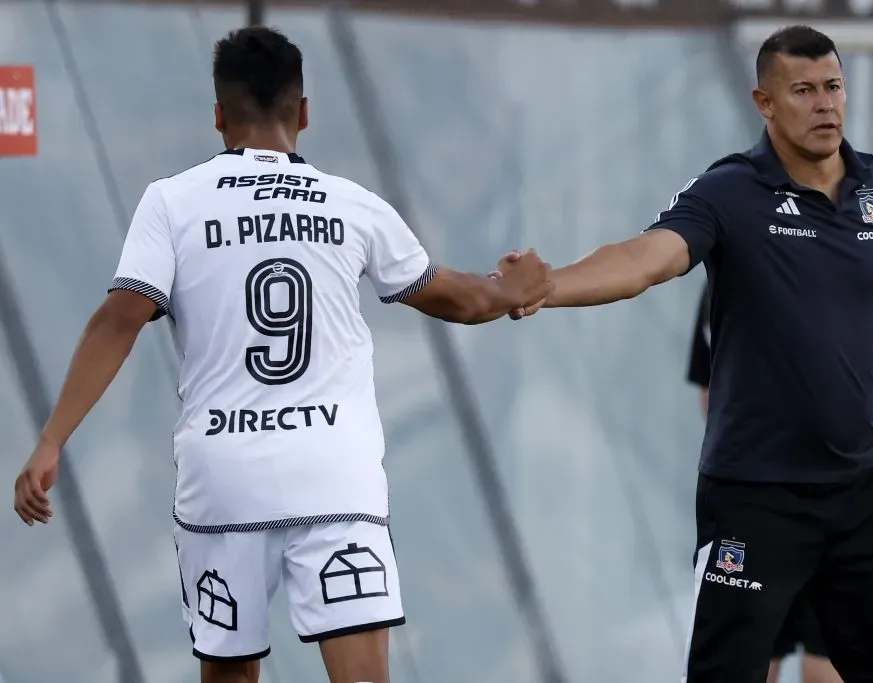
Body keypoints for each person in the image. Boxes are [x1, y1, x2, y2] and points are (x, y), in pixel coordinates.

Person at [12, 27, 551, 683]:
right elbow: (458, 300)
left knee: (231, 674)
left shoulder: (173, 203)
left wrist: (51, 439)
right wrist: (514, 288)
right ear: (304, 112)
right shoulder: (352, 205)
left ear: (218, 116)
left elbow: (118, 320)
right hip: (331, 472)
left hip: (224, 475)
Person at [497, 24, 873, 683]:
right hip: (757, 495)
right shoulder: (731, 192)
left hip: (868, 489)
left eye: (834, 86)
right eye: (803, 91)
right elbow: (643, 259)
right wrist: (552, 285)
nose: (826, 104)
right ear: (764, 103)